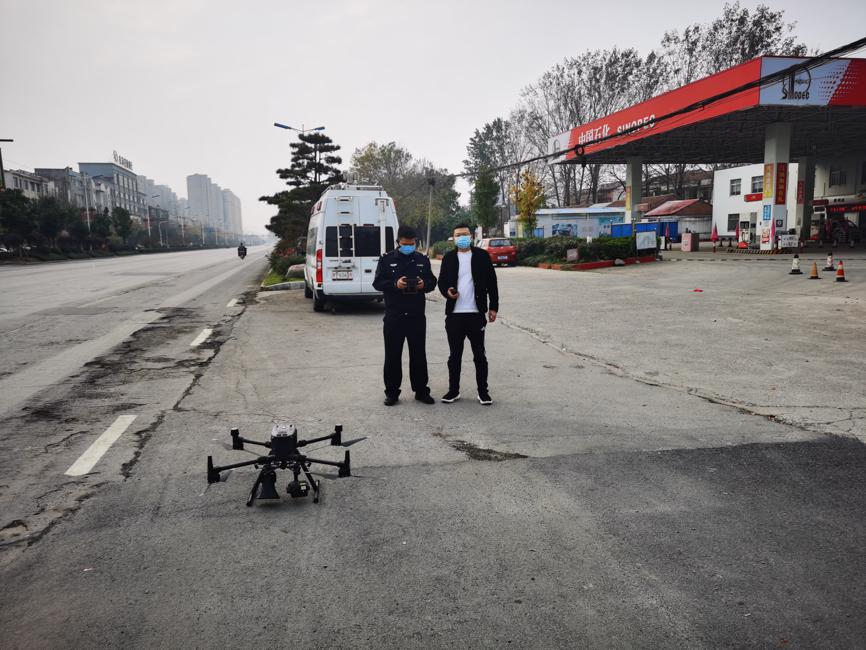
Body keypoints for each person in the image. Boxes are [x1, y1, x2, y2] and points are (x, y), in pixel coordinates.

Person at [372, 225, 438, 406]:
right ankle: (392, 393)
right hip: (394, 316)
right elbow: (377, 283)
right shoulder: (386, 260)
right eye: (405, 244)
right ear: (398, 243)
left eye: (412, 244)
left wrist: (424, 284)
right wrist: (395, 284)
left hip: (416, 316)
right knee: (393, 356)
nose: (409, 246)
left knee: (418, 355)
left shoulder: (422, 259)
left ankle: (421, 391)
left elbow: (433, 282)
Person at [437, 224, 499, 405]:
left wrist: (493, 307)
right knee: (454, 355)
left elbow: (492, 283)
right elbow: (441, 282)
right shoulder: (449, 258)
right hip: (454, 315)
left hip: (476, 313)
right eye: (458, 235)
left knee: (479, 355)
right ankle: (453, 391)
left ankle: (483, 392)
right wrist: (447, 292)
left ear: (471, 236)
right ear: (453, 238)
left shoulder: (481, 256)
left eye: (464, 234)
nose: (461, 237)